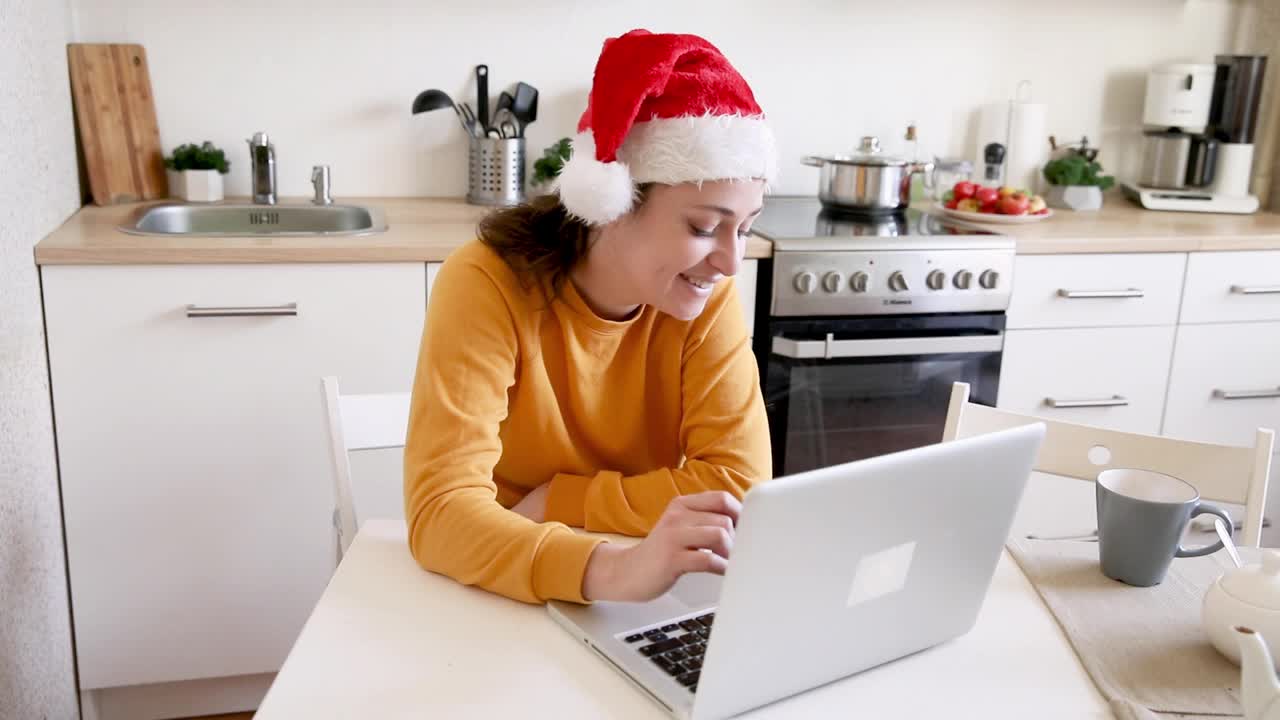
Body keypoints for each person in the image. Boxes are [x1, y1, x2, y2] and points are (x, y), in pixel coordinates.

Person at [403, 28, 778, 605]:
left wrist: (563, 499)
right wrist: (611, 571)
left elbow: (739, 487)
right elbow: (441, 513)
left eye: (746, 227)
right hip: (502, 574)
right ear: (613, 203)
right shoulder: (486, 283)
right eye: (704, 228)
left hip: (642, 565)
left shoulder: (703, 294)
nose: (731, 261)